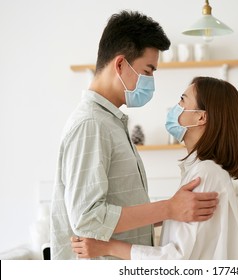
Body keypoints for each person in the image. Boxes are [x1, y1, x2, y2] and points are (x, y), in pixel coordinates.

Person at [50, 11, 218, 260]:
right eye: (148, 70)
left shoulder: (109, 122)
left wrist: (172, 211)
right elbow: (87, 219)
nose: (151, 81)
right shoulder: (91, 124)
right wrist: (169, 208)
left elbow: (115, 212)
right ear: (120, 65)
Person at [71, 76, 238, 259]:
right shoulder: (202, 171)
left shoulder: (206, 173)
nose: (175, 107)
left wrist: (108, 247)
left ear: (201, 117)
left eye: (182, 100)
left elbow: (174, 260)